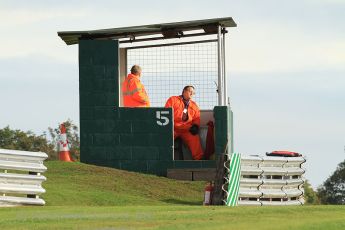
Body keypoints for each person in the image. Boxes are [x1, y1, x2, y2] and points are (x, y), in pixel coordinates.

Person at [165, 85, 203, 160]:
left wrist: (195, 126)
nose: (192, 94)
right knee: (164, 138)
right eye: (190, 91)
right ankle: (163, 159)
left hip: (186, 129)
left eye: (193, 93)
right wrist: (169, 126)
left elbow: (196, 118)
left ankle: (199, 160)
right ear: (184, 91)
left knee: (194, 138)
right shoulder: (173, 100)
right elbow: (167, 113)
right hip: (173, 128)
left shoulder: (194, 105)